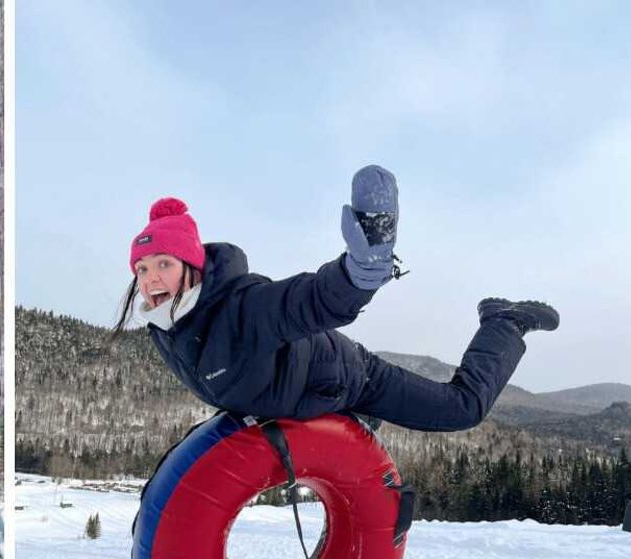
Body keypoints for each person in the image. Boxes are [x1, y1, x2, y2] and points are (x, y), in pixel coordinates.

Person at [113, 165, 559, 432]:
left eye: (164, 265)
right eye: (143, 268)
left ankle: (504, 321)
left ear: (191, 265)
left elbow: (309, 301)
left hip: (354, 378)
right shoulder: (167, 327)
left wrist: (361, 270)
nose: (151, 279)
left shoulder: (242, 308)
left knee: (462, 409)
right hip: (316, 396)